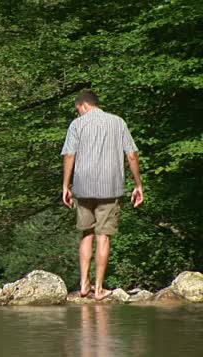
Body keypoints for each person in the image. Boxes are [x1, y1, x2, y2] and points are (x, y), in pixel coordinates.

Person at [61, 90, 143, 301]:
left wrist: (65, 185)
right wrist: (138, 184)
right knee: (103, 236)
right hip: (110, 187)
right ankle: (98, 289)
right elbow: (132, 155)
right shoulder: (118, 122)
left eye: (77, 109)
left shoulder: (77, 125)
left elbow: (69, 154)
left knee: (86, 234)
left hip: (83, 186)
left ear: (83, 105)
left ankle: (83, 285)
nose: (78, 113)